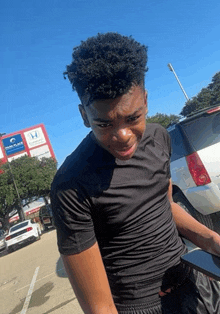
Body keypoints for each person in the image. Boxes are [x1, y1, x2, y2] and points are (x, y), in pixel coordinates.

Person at [51, 32, 220, 314]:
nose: (123, 136)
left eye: (133, 118)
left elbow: (163, 206)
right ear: (84, 116)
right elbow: (100, 307)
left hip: (197, 284)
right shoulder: (70, 185)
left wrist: (211, 239)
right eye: (104, 124)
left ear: (145, 100)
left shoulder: (159, 139)